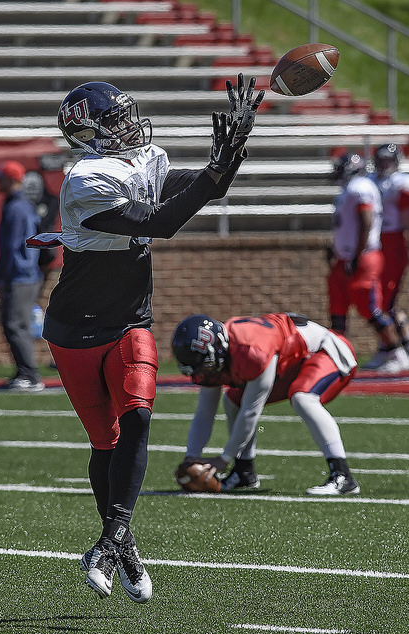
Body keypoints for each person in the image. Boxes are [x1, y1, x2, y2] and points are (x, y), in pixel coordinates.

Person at [27, 77, 264, 601]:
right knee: (105, 441)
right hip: (75, 328)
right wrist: (214, 173)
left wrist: (230, 156)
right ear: (87, 132)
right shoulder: (85, 179)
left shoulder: (143, 158)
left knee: (137, 416)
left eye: (126, 114)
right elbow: (161, 221)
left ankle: (110, 539)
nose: (128, 125)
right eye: (115, 120)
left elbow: (204, 187)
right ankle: (124, 541)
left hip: (130, 319)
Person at [171, 312, 360, 496]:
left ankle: (342, 475)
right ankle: (244, 473)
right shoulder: (220, 353)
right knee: (233, 401)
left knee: (303, 397)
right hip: (290, 362)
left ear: (219, 347)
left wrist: (224, 458)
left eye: (206, 365)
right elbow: (204, 413)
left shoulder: (252, 351)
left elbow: (251, 412)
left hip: (327, 351)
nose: (203, 374)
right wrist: (191, 457)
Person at [327, 152, 409, 374]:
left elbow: (366, 219)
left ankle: (396, 352)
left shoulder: (360, 187)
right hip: (346, 257)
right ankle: (335, 356)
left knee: (371, 308)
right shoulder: (350, 188)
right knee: (337, 308)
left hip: (362, 257)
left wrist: (357, 255)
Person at [364, 143, 409, 369]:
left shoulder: (401, 182)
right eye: (380, 160)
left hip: (393, 243)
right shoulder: (369, 181)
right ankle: (407, 342)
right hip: (374, 244)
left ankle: (390, 350)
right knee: (381, 300)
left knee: (383, 300)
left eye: (388, 160)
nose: (384, 164)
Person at [0, 160, 44, 391]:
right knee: (15, 324)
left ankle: (29, 375)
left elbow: (12, 247)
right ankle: (24, 372)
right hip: (25, 274)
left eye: (1, 177)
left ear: (11, 179)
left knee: (15, 324)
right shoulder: (22, 205)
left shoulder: (16, 207)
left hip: (21, 275)